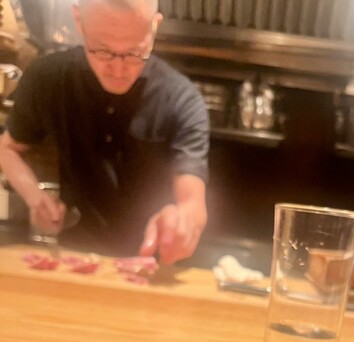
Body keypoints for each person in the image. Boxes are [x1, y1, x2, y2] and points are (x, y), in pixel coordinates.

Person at [0, 0, 210, 264]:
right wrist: (35, 197)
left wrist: (183, 221)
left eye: (134, 52)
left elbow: (193, 203)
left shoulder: (182, 99)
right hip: (76, 256)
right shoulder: (47, 77)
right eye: (102, 50)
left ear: (154, 27)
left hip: (150, 261)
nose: (118, 70)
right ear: (79, 22)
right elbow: (7, 148)